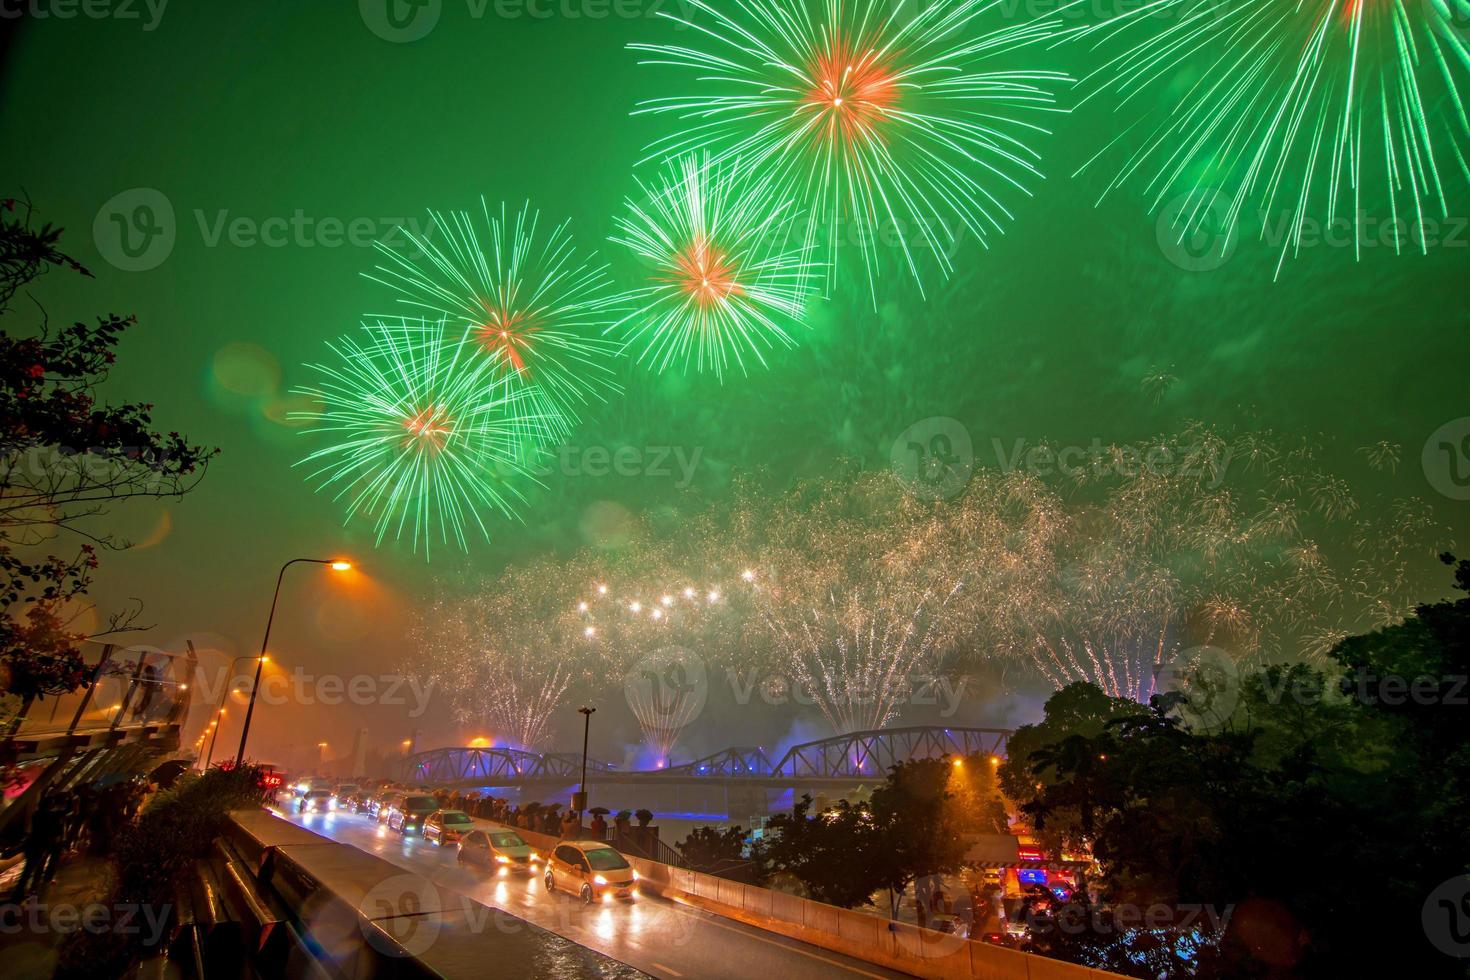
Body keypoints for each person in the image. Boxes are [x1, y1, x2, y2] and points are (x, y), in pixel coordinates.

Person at [14, 795, 67, 897]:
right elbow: (53, 832)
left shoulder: (36, 814)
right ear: (50, 805)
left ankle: (20, 890)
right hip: (42, 844)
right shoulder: (50, 816)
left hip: (33, 842)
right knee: (34, 867)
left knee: (28, 868)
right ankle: (29, 889)